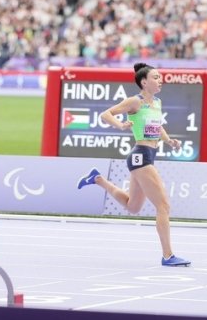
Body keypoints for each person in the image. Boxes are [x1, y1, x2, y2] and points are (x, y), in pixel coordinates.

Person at [77, 63, 190, 267]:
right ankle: (168, 256)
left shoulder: (157, 103)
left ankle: (98, 179)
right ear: (144, 82)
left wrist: (169, 140)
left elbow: (158, 125)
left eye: (160, 77)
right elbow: (106, 114)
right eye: (156, 77)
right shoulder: (134, 102)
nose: (160, 80)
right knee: (163, 206)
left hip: (148, 154)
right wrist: (120, 125)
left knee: (133, 206)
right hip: (141, 156)